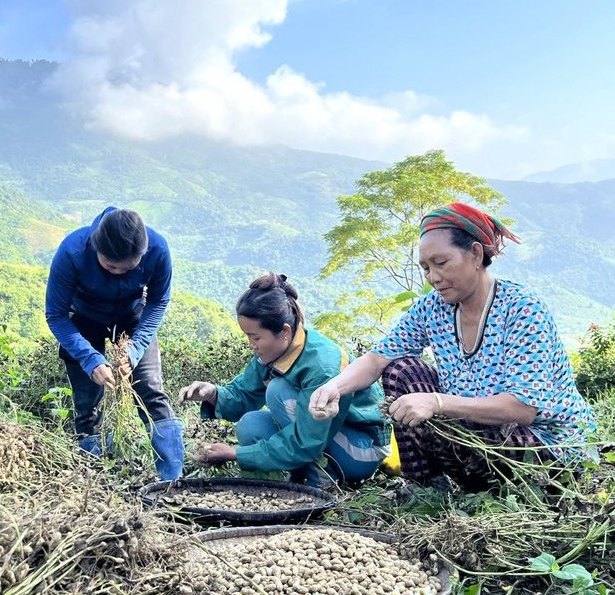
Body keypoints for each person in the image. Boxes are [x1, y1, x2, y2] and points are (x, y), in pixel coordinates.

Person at [309, 202, 598, 490]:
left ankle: (493, 488)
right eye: (425, 268)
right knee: (402, 371)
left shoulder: (522, 310)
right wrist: (333, 388)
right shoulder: (432, 309)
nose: (433, 277)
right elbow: (377, 359)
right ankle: (425, 487)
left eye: (442, 263)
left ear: (474, 253)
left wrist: (437, 403)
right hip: (469, 428)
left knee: (459, 429)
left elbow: (522, 409)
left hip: (542, 447)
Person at [181, 273, 390, 487]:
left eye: (255, 337)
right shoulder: (273, 351)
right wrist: (213, 393)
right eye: (248, 336)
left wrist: (236, 454)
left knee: (277, 391)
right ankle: (301, 473)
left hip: (362, 447)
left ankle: (321, 478)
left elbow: (307, 440)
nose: (251, 344)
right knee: (250, 425)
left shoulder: (322, 367)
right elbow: (244, 393)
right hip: (325, 436)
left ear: (284, 332)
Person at [45, 206, 183, 481]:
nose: (118, 273)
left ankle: (172, 481)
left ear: (141, 255)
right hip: (84, 317)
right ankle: (95, 481)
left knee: (151, 392)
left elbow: (157, 302)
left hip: (133, 314)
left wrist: (135, 349)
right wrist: (90, 358)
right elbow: (56, 315)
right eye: (109, 266)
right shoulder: (72, 251)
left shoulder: (157, 250)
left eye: (128, 268)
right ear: (96, 248)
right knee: (88, 406)